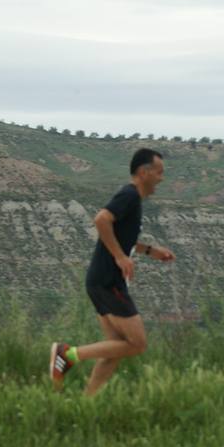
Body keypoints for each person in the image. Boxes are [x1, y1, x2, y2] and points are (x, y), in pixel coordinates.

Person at [51, 148, 174, 396]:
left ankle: (88, 402)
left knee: (115, 349)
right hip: (109, 282)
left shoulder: (134, 201)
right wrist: (119, 257)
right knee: (137, 344)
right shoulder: (129, 195)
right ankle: (68, 354)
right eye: (159, 173)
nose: (161, 178)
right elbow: (101, 220)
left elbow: (122, 238)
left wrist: (150, 250)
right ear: (144, 172)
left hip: (100, 280)